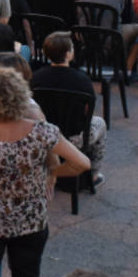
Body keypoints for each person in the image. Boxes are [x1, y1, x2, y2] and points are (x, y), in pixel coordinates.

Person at [0, 66, 91, 277]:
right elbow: (83, 163)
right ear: (23, 95)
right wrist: (51, 173)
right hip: (30, 222)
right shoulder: (42, 132)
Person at [29, 33, 107, 184]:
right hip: (74, 137)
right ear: (68, 54)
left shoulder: (35, 78)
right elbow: (88, 113)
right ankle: (94, 174)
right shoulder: (82, 80)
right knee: (100, 123)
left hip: (43, 135)